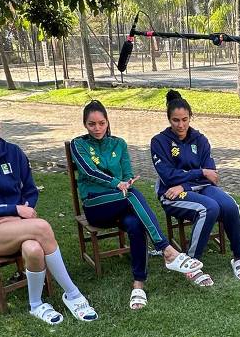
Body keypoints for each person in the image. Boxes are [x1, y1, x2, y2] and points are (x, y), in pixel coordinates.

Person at [0, 99, 97, 325]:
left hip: (20, 226)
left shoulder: (13, 152)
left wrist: (17, 215)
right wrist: (13, 209)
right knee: (43, 227)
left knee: (34, 248)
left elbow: (30, 191)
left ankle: (35, 305)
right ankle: (72, 293)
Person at [70, 100, 208, 306]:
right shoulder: (78, 144)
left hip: (121, 202)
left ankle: (138, 285)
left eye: (101, 123)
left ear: (107, 122)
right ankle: (167, 250)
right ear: (85, 125)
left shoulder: (119, 143)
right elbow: (90, 171)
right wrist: (118, 184)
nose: (97, 128)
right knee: (132, 195)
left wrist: (126, 181)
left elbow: (126, 173)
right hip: (96, 206)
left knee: (135, 223)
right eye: (92, 124)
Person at [150, 90, 240, 283]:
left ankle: (238, 258)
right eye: (175, 120)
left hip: (195, 188)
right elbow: (169, 176)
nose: (181, 125)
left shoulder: (200, 140)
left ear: (190, 117)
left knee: (230, 206)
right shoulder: (159, 142)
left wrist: (186, 183)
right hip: (171, 195)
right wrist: (200, 173)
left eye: (185, 119)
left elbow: (212, 175)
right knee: (209, 208)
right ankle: (191, 263)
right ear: (169, 119)